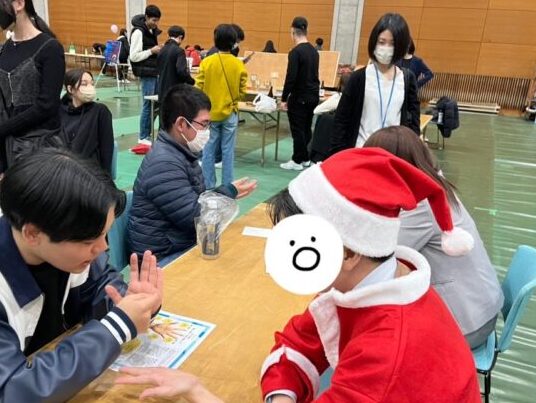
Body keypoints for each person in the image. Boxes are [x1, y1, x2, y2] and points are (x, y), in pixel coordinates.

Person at [114, 148, 481, 402]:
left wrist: (197, 392)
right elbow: (298, 341)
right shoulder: (371, 281)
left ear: (349, 252)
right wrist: (282, 395)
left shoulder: (389, 351)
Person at [0, 148, 163, 402]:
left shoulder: (68, 249)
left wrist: (132, 303)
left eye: (104, 234)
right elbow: (13, 391)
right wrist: (117, 327)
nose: (103, 247)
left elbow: (100, 287)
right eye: (89, 240)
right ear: (32, 234)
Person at [364, 126, 504, 348]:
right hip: (478, 307)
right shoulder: (431, 184)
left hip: (466, 322)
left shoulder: (421, 204)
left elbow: (379, 256)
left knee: (371, 337)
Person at [128, 84, 256, 266]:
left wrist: (227, 191)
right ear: (181, 124)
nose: (207, 131)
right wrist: (226, 194)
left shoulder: (180, 153)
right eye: (204, 124)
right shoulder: (164, 164)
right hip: (160, 258)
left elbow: (193, 202)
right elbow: (195, 218)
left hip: (176, 244)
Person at [330, 13, 420, 155]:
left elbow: (414, 124)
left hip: (393, 156)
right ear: (374, 42)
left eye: (392, 44)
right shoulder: (358, 78)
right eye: (382, 42)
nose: (386, 48)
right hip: (360, 152)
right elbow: (341, 121)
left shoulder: (407, 79)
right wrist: (339, 156)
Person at [0, 0, 65, 171]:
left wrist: (5, 128)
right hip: (7, 147)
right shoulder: (4, 50)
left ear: (19, 4)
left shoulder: (50, 48)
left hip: (41, 149)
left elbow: (47, 106)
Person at [195, 24, 247, 188]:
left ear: (215, 40)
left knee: (208, 150)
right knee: (228, 151)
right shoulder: (238, 64)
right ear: (233, 43)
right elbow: (242, 92)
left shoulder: (206, 62)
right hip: (230, 113)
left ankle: (208, 185)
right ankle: (227, 186)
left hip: (209, 114)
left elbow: (198, 88)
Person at [279, 16, 320, 171]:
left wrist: (284, 98)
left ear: (293, 32)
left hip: (300, 96)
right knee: (306, 127)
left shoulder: (295, 52)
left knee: (297, 129)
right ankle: (305, 158)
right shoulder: (314, 51)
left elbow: (291, 77)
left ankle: (297, 160)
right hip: (313, 95)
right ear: (306, 31)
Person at [60, 69, 114, 174]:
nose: (90, 88)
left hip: (88, 174)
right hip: (61, 171)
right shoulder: (58, 111)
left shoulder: (100, 112)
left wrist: (105, 178)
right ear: (70, 89)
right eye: (84, 84)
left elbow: (106, 150)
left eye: (91, 84)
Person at [129, 4, 162, 145]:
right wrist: (151, 51)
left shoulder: (151, 31)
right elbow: (133, 56)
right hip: (146, 72)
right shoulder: (138, 32)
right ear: (147, 17)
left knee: (155, 104)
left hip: (153, 71)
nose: (156, 23)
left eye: (157, 20)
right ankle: (143, 136)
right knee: (148, 104)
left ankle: (147, 133)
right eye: (154, 20)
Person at [157, 25, 194, 103]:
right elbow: (181, 71)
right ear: (180, 37)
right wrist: (191, 81)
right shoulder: (179, 51)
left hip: (161, 90)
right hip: (175, 91)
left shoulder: (161, 50)